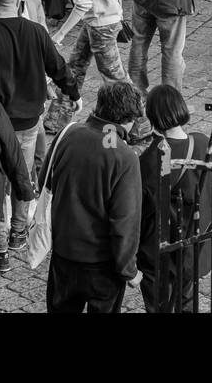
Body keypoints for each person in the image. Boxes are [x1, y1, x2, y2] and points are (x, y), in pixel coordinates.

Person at [0, 0, 75, 273]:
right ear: (19, 1)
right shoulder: (37, 32)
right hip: (29, 120)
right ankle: (17, 235)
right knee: (22, 177)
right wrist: (73, 93)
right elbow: (59, 67)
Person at [41, 80, 143, 312]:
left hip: (63, 253)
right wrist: (129, 271)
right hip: (102, 266)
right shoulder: (125, 157)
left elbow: (44, 181)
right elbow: (125, 222)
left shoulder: (68, 133)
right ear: (127, 119)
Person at [137, 84, 212, 312]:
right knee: (187, 302)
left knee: (159, 305)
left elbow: (140, 211)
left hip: (160, 252)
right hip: (193, 245)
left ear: (152, 117)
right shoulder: (202, 143)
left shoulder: (151, 157)